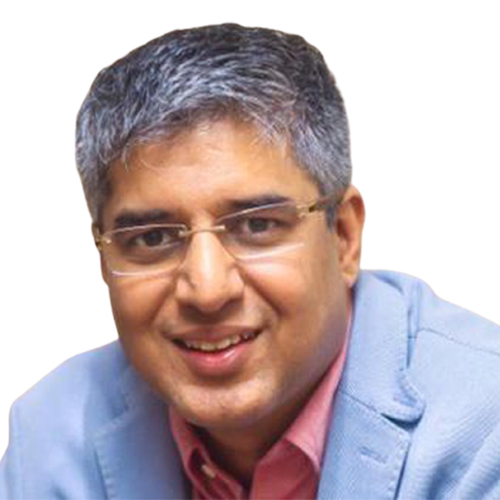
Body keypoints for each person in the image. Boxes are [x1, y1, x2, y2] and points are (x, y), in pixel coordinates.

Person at [1, 23, 500, 500]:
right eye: (153, 237)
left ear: (344, 236)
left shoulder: (485, 428)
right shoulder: (50, 437)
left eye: (257, 226)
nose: (208, 289)